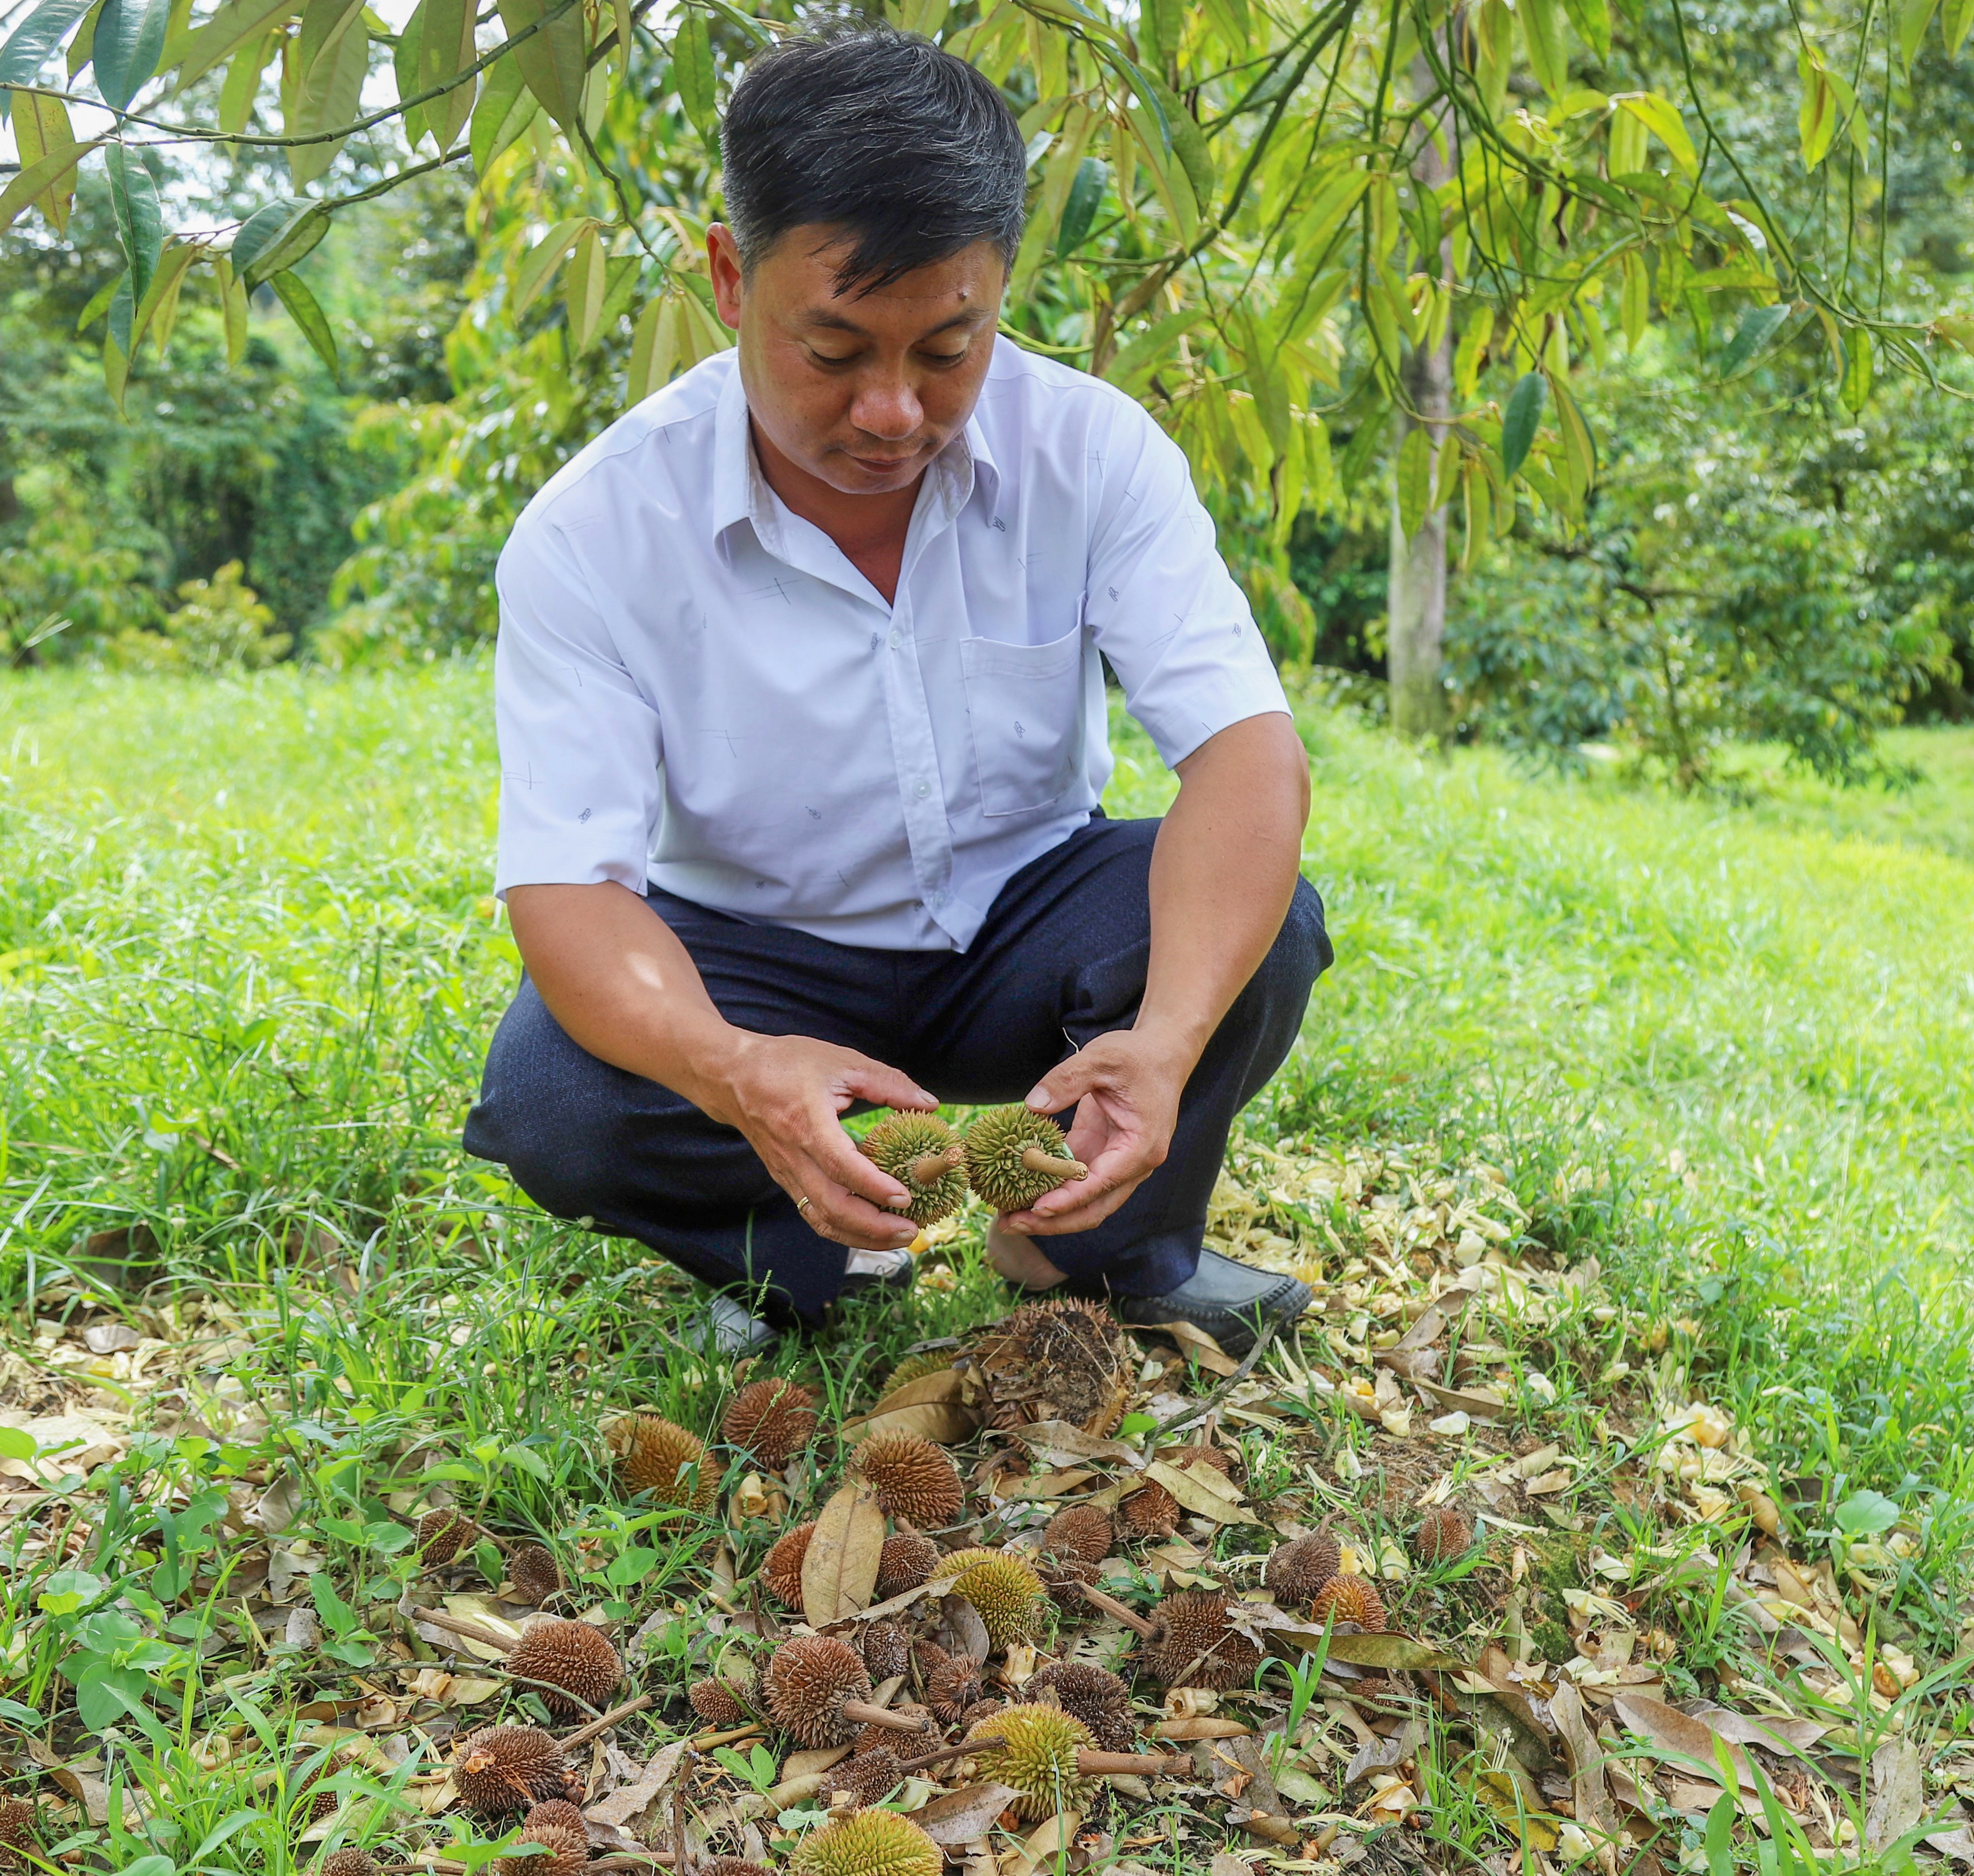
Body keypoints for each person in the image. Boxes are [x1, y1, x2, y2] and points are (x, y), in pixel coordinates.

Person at [462, 18, 1330, 1358]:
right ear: (729, 276)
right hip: (748, 952)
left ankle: (1090, 1245)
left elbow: (1244, 754)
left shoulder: (1091, 455)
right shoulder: (595, 534)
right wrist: (735, 1067)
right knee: (555, 1100)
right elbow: (567, 889)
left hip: (1019, 928)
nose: (890, 411)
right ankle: (801, 1259)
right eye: (834, 349)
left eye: (945, 351)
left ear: (998, 290)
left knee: (1259, 931)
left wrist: (1159, 1043)